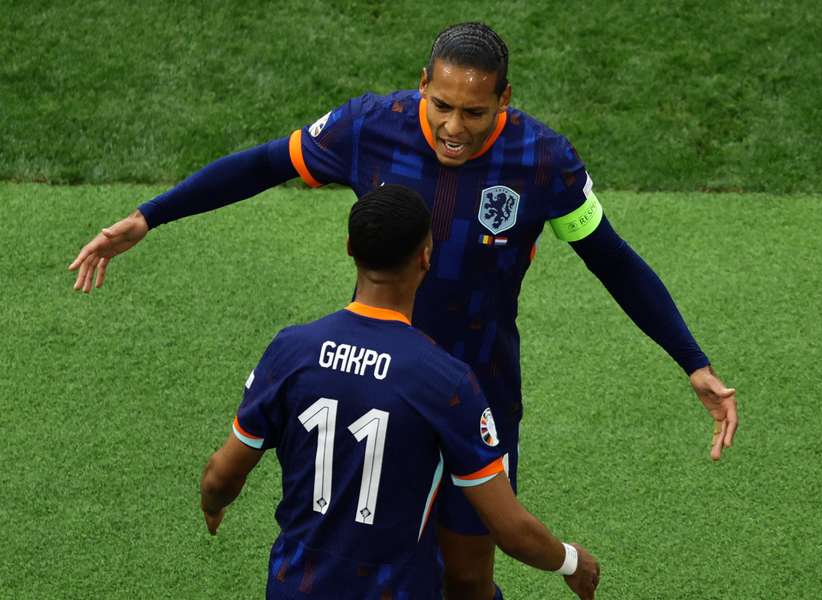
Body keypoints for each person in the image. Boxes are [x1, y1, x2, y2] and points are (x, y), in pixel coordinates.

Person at [71, 22, 737, 599]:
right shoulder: (370, 128)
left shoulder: (543, 160)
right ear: (423, 83)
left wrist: (692, 361)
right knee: (377, 563)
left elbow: (611, 258)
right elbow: (266, 163)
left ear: (505, 100)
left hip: (480, 392)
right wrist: (149, 217)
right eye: (442, 104)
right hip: (380, 393)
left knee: (469, 578)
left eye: (475, 113)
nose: (454, 127)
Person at [200, 184, 600, 599]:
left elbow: (220, 477)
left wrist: (213, 504)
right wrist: (571, 560)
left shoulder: (291, 351)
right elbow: (510, 529)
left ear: (350, 247)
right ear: (426, 255)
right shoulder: (447, 381)